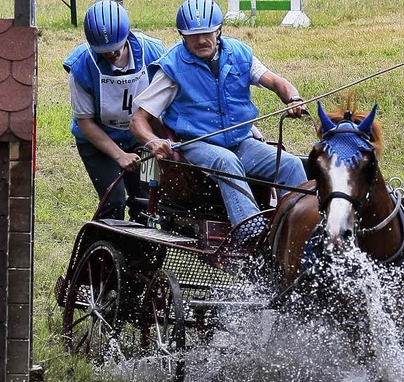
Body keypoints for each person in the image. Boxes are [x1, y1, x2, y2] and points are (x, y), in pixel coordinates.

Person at [129, 0, 308, 228]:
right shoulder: (172, 66)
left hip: (241, 141)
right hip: (196, 145)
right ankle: (249, 235)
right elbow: (138, 121)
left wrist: (292, 98)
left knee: (290, 164)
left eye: (207, 33)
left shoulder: (240, 54)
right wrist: (153, 141)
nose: (202, 40)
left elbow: (275, 81)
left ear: (219, 30)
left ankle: (299, 231)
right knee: (227, 162)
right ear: (182, 35)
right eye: (193, 35)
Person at [63, 0, 165, 221]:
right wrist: (119, 156)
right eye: (104, 51)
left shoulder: (153, 51)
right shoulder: (81, 65)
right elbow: (85, 123)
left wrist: (158, 138)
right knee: (113, 200)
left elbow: (168, 97)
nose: (111, 54)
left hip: (141, 137)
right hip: (97, 141)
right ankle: (104, 249)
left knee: (147, 201)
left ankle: (140, 253)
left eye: (116, 47)